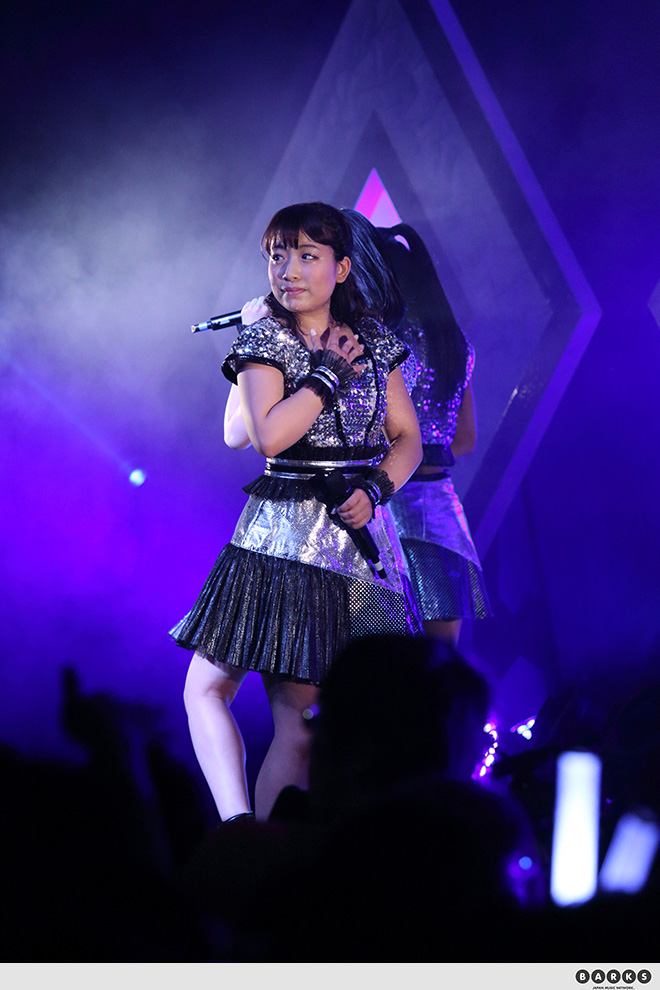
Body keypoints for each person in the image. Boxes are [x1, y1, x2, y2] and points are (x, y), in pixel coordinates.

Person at [170, 202, 423, 823]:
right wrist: (325, 374)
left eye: (307, 256)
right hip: (284, 540)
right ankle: (244, 833)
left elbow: (409, 439)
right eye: (278, 256)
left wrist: (377, 489)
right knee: (238, 700)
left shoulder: (373, 340)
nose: (288, 270)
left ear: (342, 268)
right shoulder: (267, 339)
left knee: (330, 720)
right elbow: (264, 436)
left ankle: (285, 845)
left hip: (357, 542)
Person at [342, 209, 492, 646]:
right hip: (440, 512)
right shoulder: (455, 344)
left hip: (383, 509)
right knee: (439, 666)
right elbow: (465, 439)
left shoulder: (383, 344)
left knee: (380, 660)